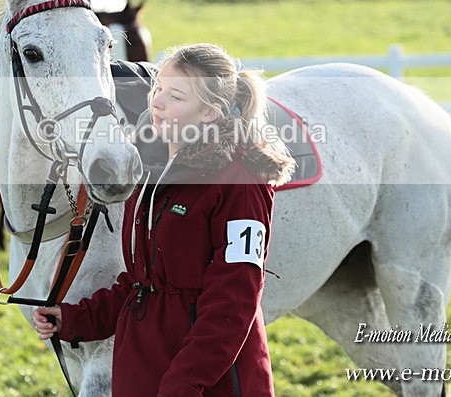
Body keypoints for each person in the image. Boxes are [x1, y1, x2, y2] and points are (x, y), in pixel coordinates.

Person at [33, 43, 295, 396]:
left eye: (175, 96)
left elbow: (234, 300)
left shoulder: (239, 183)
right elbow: (143, 283)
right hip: (141, 369)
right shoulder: (152, 174)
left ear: (209, 113)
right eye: (157, 88)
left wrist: (185, 383)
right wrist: (76, 318)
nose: (155, 102)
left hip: (205, 380)